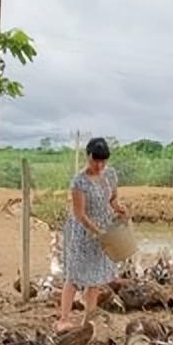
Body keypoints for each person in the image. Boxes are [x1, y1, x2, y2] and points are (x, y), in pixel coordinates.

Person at [56, 137, 127, 332]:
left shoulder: (110, 175)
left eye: (103, 161)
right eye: (96, 160)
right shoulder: (79, 182)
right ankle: (64, 319)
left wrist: (120, 209)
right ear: (88, 156)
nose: (100, 165)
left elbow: (112, 200)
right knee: (74, 275)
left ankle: (88, 319)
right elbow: (80, 215)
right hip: (83, 232)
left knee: (95, 278)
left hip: (103, 228)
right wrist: (99, 232)